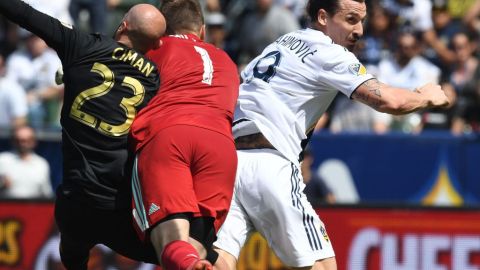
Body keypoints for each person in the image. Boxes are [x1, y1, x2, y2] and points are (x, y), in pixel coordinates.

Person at [212, 0, 450, 269]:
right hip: (271, 162)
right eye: (350, 19)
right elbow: (390, 101)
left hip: (228, 163)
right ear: (323, 17)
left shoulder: (283, 41)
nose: (359, 30)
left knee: (220, 258)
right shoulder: (329, 52)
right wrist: (425, 97)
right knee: (323, 264)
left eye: (362, 20)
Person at [0, 0, 166, 269]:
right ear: (155, 45)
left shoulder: (81, 45)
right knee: (177, 254)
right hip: (119, 208)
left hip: (76, 201)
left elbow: (25, 14)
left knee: (71, 251)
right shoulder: (157, 79)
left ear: (122, 25)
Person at [129, 0, 239, 269]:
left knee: (169, 240)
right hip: (220, 146)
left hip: (170, 135)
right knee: (194, 247)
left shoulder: (153, 49)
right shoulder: (226, 60)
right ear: (201, 30)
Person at [0, 125, 52, 199]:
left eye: (27, 140)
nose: (22, 144)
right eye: (18, 140)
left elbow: (47, 194)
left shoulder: (42, 164)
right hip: (6, 208)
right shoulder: (2, 159)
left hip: (33, 209)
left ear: (34, 141)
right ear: (13, 141)